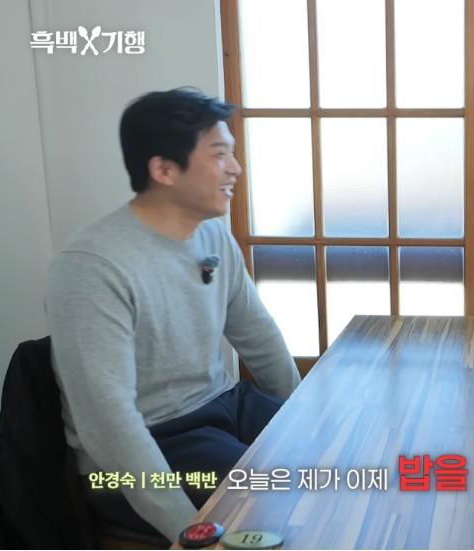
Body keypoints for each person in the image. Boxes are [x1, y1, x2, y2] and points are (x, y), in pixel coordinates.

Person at [46, 88, 301, 542]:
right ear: (164, 169)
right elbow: (108, 422)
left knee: (326, 459)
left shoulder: (213, 236)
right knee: (274, 500)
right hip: (153, 440)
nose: (235, 168)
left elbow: (258, 336)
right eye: (219, 155)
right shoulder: (92, 266)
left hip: (223, 404)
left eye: (232, 153)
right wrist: (190, 531)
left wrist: (298, 417)